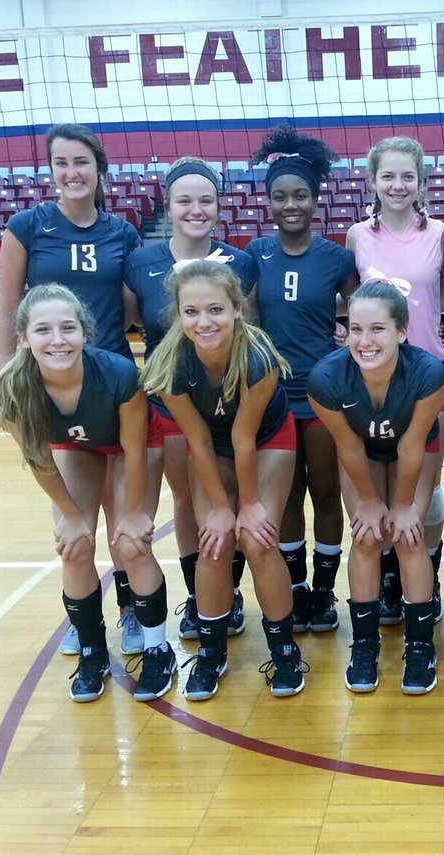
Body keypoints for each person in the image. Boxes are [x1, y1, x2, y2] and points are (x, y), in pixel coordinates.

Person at [0, 123, 147, 657]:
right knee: (74, 530)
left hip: (115, 386)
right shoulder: (27, 227)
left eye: (81, 162)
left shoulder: (122, 233)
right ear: (52, 170)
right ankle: (87, 629)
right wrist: (4, 379)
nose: (72, 172)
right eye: (61, 163)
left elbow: (132, 306)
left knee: (126, 529)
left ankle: (131, 613)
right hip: (55, 389)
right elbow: (9, 310)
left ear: (99, 168)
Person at [0, 285, 173, 702]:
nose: (57, 339)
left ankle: (157, 649)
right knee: (73, 546)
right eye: (43, 330)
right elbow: (39, 460)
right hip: (77, 449)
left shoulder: (119, 374)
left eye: (68, 328)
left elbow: (133, 447)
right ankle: (92, 650)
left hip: (132, 446)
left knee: (131, 545)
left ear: (85, 333)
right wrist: (71, 516)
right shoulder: (13, 389)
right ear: (23, 338)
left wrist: (132, 514)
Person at [140, 259, 306, 699]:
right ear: (178, 316)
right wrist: (218, 509)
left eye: (214, 309)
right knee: (212, 544)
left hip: (266, 439)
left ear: (236, 308)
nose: (203, 321)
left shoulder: (259, 358)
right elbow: (196, 437)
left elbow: (244, 437)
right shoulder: (170, 362)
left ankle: (285, 650)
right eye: (191, 312)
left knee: (258, 539)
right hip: (210, 447)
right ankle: (211, 653)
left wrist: (247, 506)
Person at [125, 157, 258, 642]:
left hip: (227, 406)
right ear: (168, 206)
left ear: (220, 208)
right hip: (171, 404)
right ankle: (200, 597)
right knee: (186, 502)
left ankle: (230, 592)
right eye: (185, 200)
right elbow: (128, 325)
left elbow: (251, 331)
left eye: (206, 200)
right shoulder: (140, 262)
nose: (195, 209)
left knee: (232, 498)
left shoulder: (240, 263)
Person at [246, 125, 360, 633]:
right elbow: (246, 326)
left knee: (326, 493)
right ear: (268, 202)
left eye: (300, 195)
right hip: (271, 398)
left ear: (316, 200)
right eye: (280, 196)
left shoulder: (337, 258)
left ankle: (323, 591)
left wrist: (348, 336)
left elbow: (364, 314)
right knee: (286, 498)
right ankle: (293, 586)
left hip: (323, 396)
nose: (290, 204)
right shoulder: (253, 256)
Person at [308, 280, 444, 693]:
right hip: (363, 452)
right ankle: (364, 644)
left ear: (402, 332)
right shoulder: (327, 377)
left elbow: (411, 446)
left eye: (377, 329)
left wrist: (404, 506)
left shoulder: (427, 372)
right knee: (367, 537)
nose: (364, 340)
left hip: (413, 448)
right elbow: (349, 447)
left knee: (409, 536)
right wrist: (370, 502)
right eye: (355, 329)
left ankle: (420, 646)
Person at [346, 136, 444, 625]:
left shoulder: (440, 235)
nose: (397, 184)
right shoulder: (357, 237)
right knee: (383, 491)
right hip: (373, 386)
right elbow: (353, 304)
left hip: (428, 381)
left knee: (424, 496)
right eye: (387, 175)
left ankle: (421, 583)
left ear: (421, 182)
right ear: (372, 182)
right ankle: (390, 581)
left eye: (407, 175)